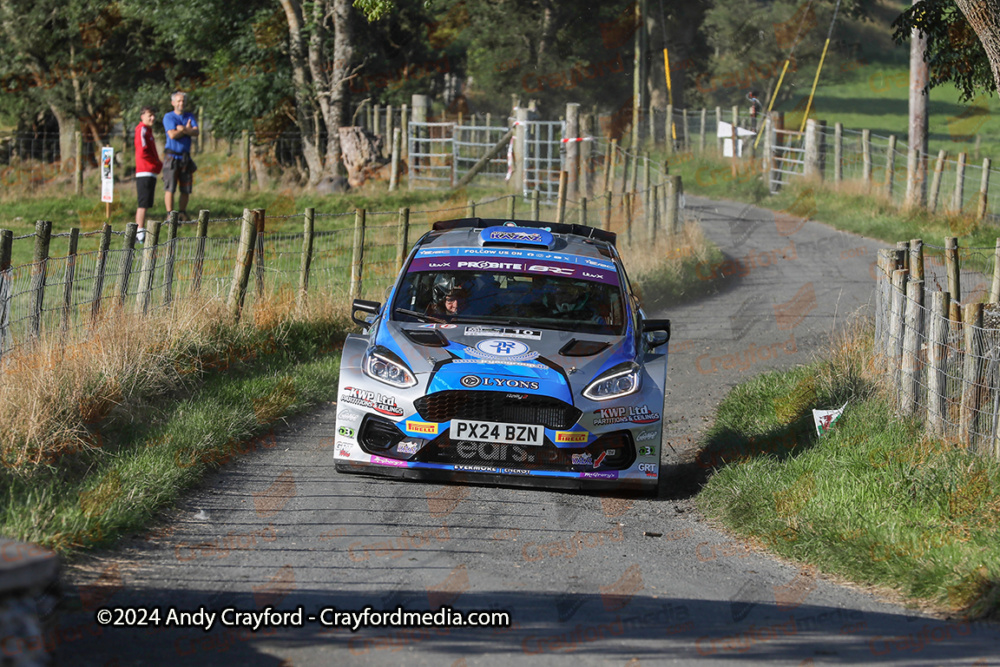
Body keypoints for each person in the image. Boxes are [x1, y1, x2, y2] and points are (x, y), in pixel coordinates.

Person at [162, 91, 199, 221]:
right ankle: (170, 215)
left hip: (185, 158)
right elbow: (172, 135)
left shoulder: (189, 116)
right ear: (173, 103)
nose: (181, 103)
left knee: (186, 188)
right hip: (171, 157)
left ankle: (182, 213)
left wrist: (182, 129)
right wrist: (187, 130)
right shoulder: (168, 117)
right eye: (178, 101)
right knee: (170, 187)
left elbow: (196, 132)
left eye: (183, 101)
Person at [134, 107, 162, 244]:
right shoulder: (142, 130)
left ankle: (140, 230)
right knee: (143, 203)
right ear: (142, 116)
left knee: (146, 202)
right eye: (150, 115)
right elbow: (142, 151)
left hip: (150, 171)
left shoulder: (148, 131)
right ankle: (139, 232)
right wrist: (155, 164)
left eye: (154, 116)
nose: (153, 118)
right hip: (145, 171)